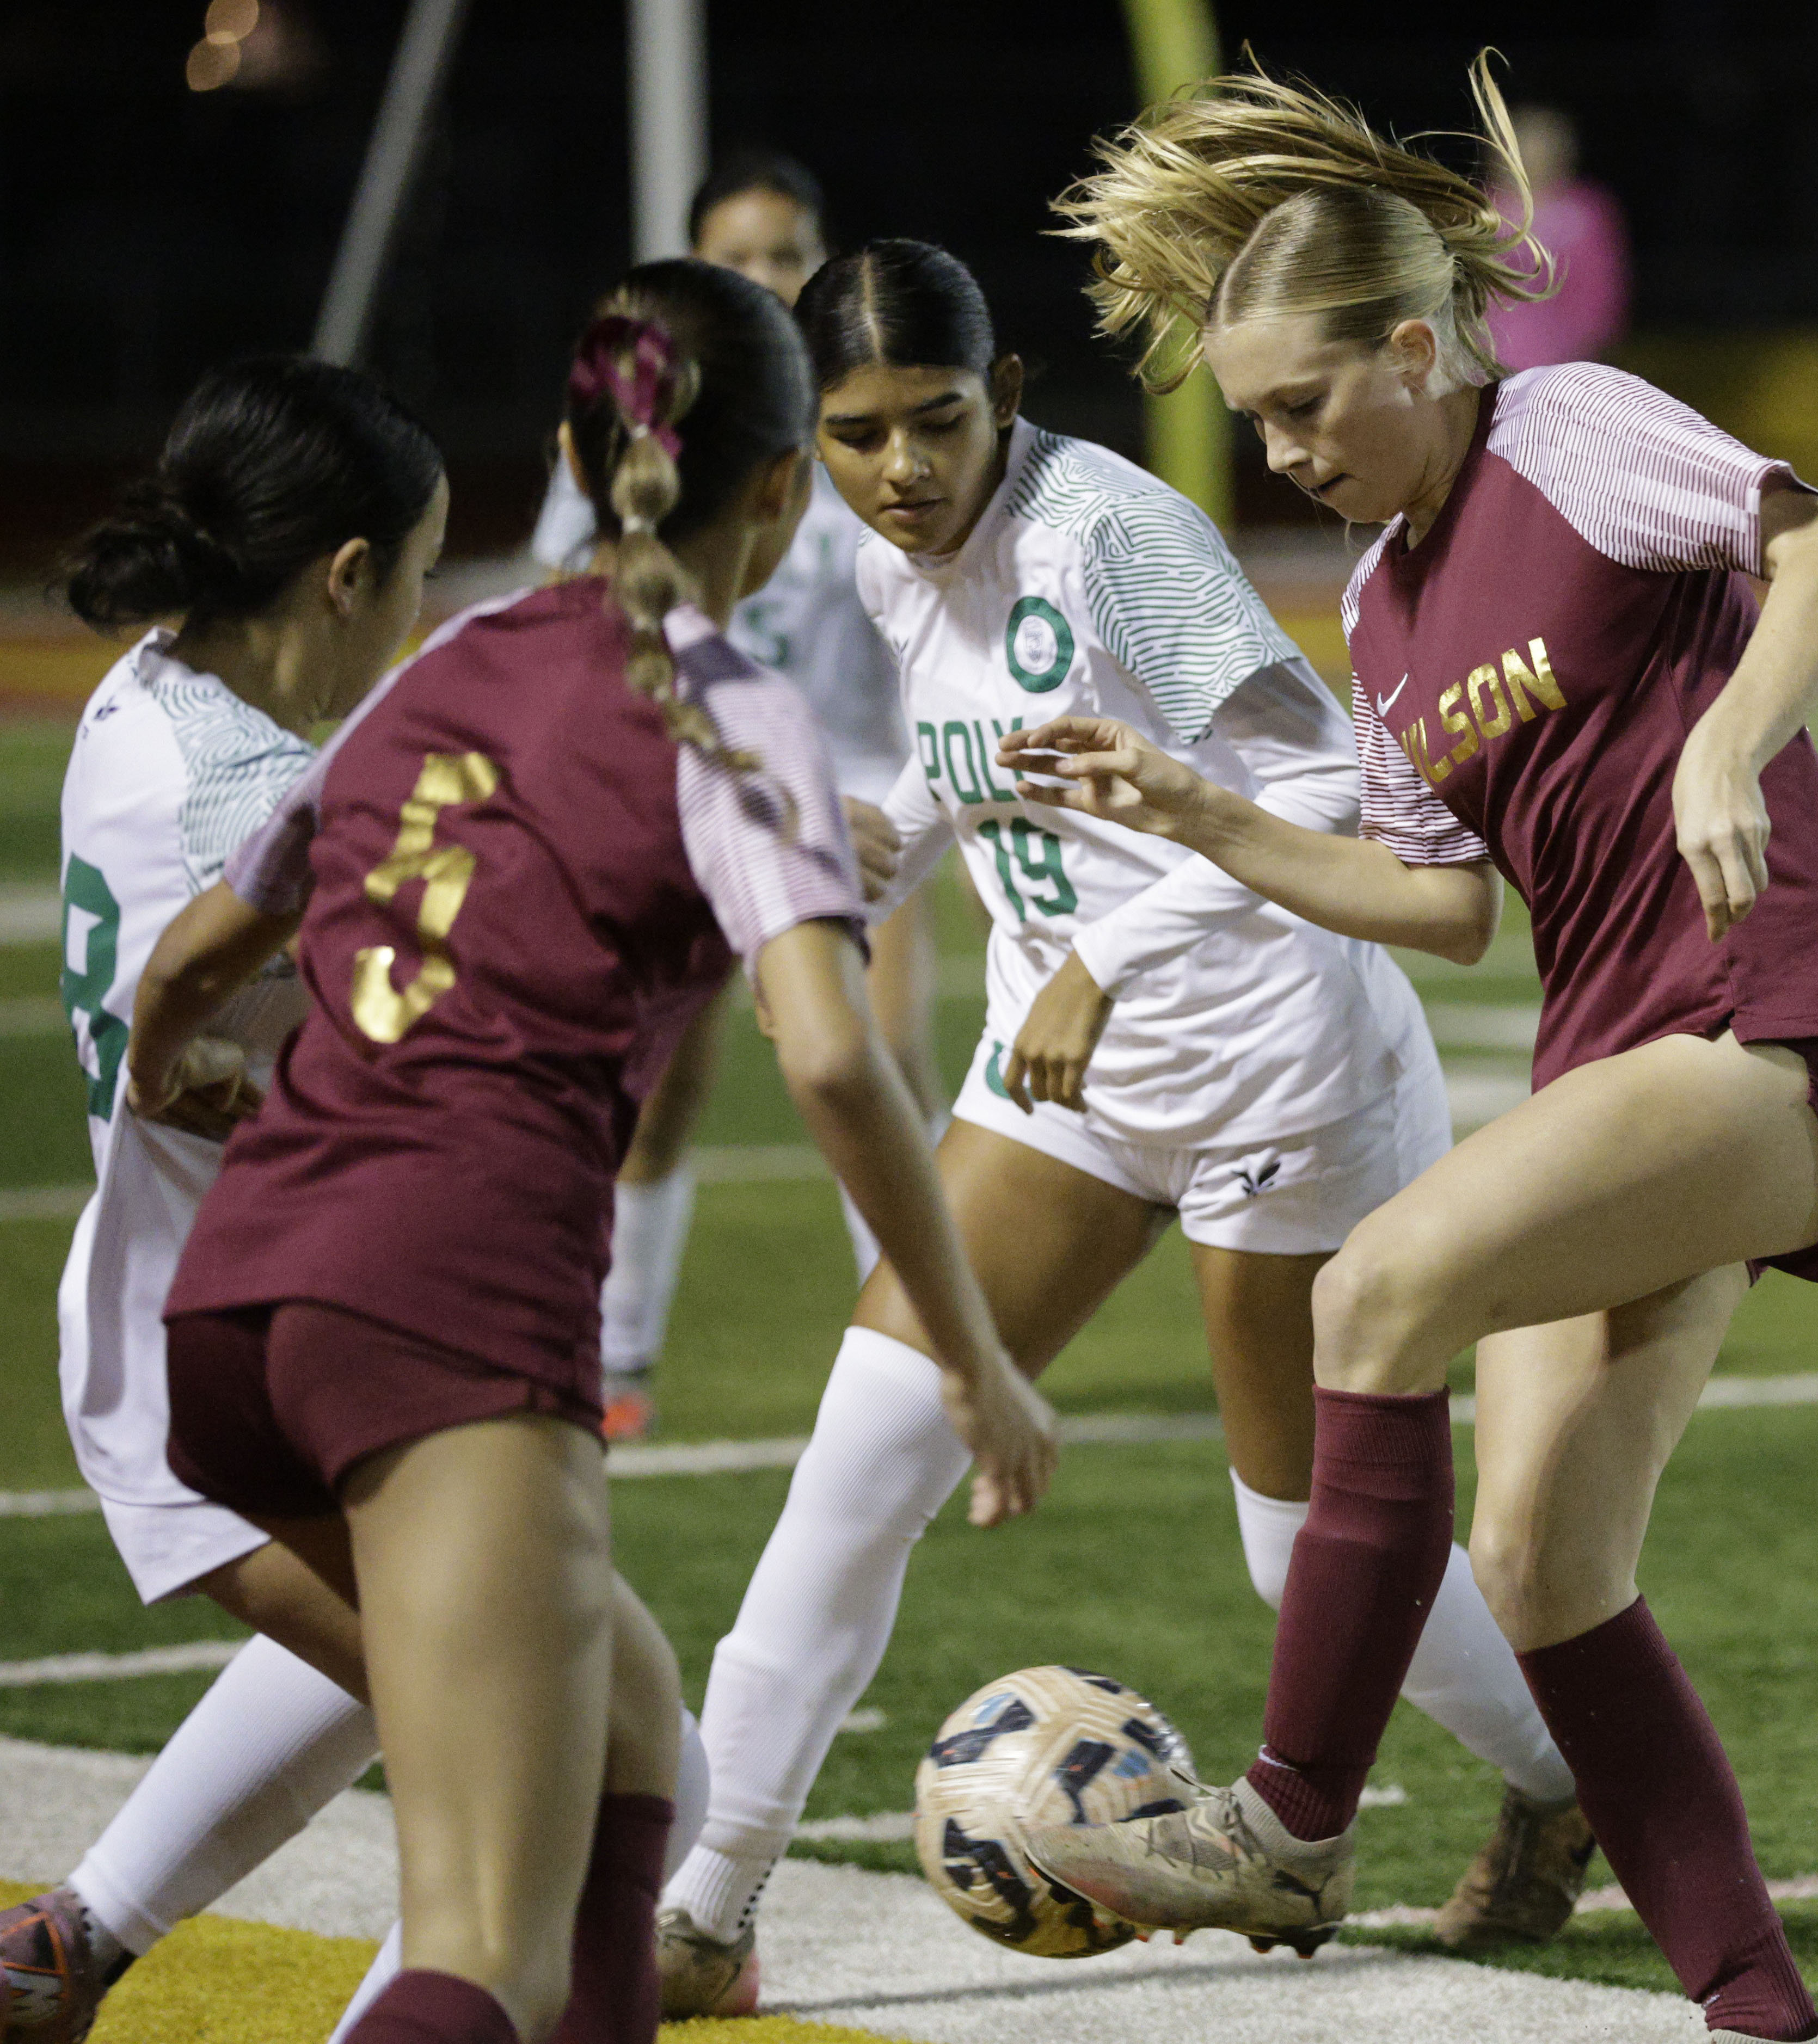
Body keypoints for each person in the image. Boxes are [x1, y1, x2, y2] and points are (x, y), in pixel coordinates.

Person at [1018, 56, 1818, 2044]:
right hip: (1620, 1064)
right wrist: (1195, 811)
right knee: (1536, 1564)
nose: (1280, 452)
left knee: (1374, 1285)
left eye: (1302, 405)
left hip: (1771, 1020)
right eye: (1254, 421)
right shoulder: (1379, 602)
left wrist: (1723, 742)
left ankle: (1288, 1822)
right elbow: (1439, 906)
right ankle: (1759, 2008)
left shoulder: (1565, 431)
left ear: (1417, 351)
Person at [650, 238, 1593, 2016]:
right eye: (858, 432)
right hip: (1065, 1080)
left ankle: (1562, 1777)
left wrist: (1104, 954)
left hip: (1277, 1069)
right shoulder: (882, 560)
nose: (901, 467)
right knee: (856, 1468)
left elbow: (1324, 784)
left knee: (1292, 1545)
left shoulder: (1106, 535)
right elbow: (966, 774)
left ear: (1005, 395)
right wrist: (858, 861)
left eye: (938, 421)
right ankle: (706, 1911)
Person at [132, 260, 1053, 2044]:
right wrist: (970, 1348)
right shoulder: (730, 705)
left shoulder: (447, 656)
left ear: (574, 454)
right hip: (443, 1308)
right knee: (487, 1943)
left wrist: (177, 1064)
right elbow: (833, 1057)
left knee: (637, 1739)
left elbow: (196, 953)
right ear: (781, 487)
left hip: (237, 1309)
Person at [2, 359, 445, 2044]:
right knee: (588, 1763)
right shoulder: (256, 804)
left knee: (433, 1664)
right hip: (239, 1367)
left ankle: (64, 1952)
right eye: (414, 575)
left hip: (208, 1327)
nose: (416, 617)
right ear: (345, 574)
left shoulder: (146, 689)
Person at [532, 150, 937, 1441]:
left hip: (857, 796)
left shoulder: (870, 407)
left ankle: (914, 1360)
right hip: (692, 781)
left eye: (785, 251)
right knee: (661, 1086)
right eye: (738, 253)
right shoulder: (648, 415)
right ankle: (618, 1354)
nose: (764, 273)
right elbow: (575, 602)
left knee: (878, 1063)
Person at [1483, 103, 1629, 369]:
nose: (1529, 161)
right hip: (1483, 357)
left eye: (1539, 150)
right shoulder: (1478, 211)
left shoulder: (1584, 214)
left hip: (1562, 358)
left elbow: (1600, 289)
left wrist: (1586, 349)